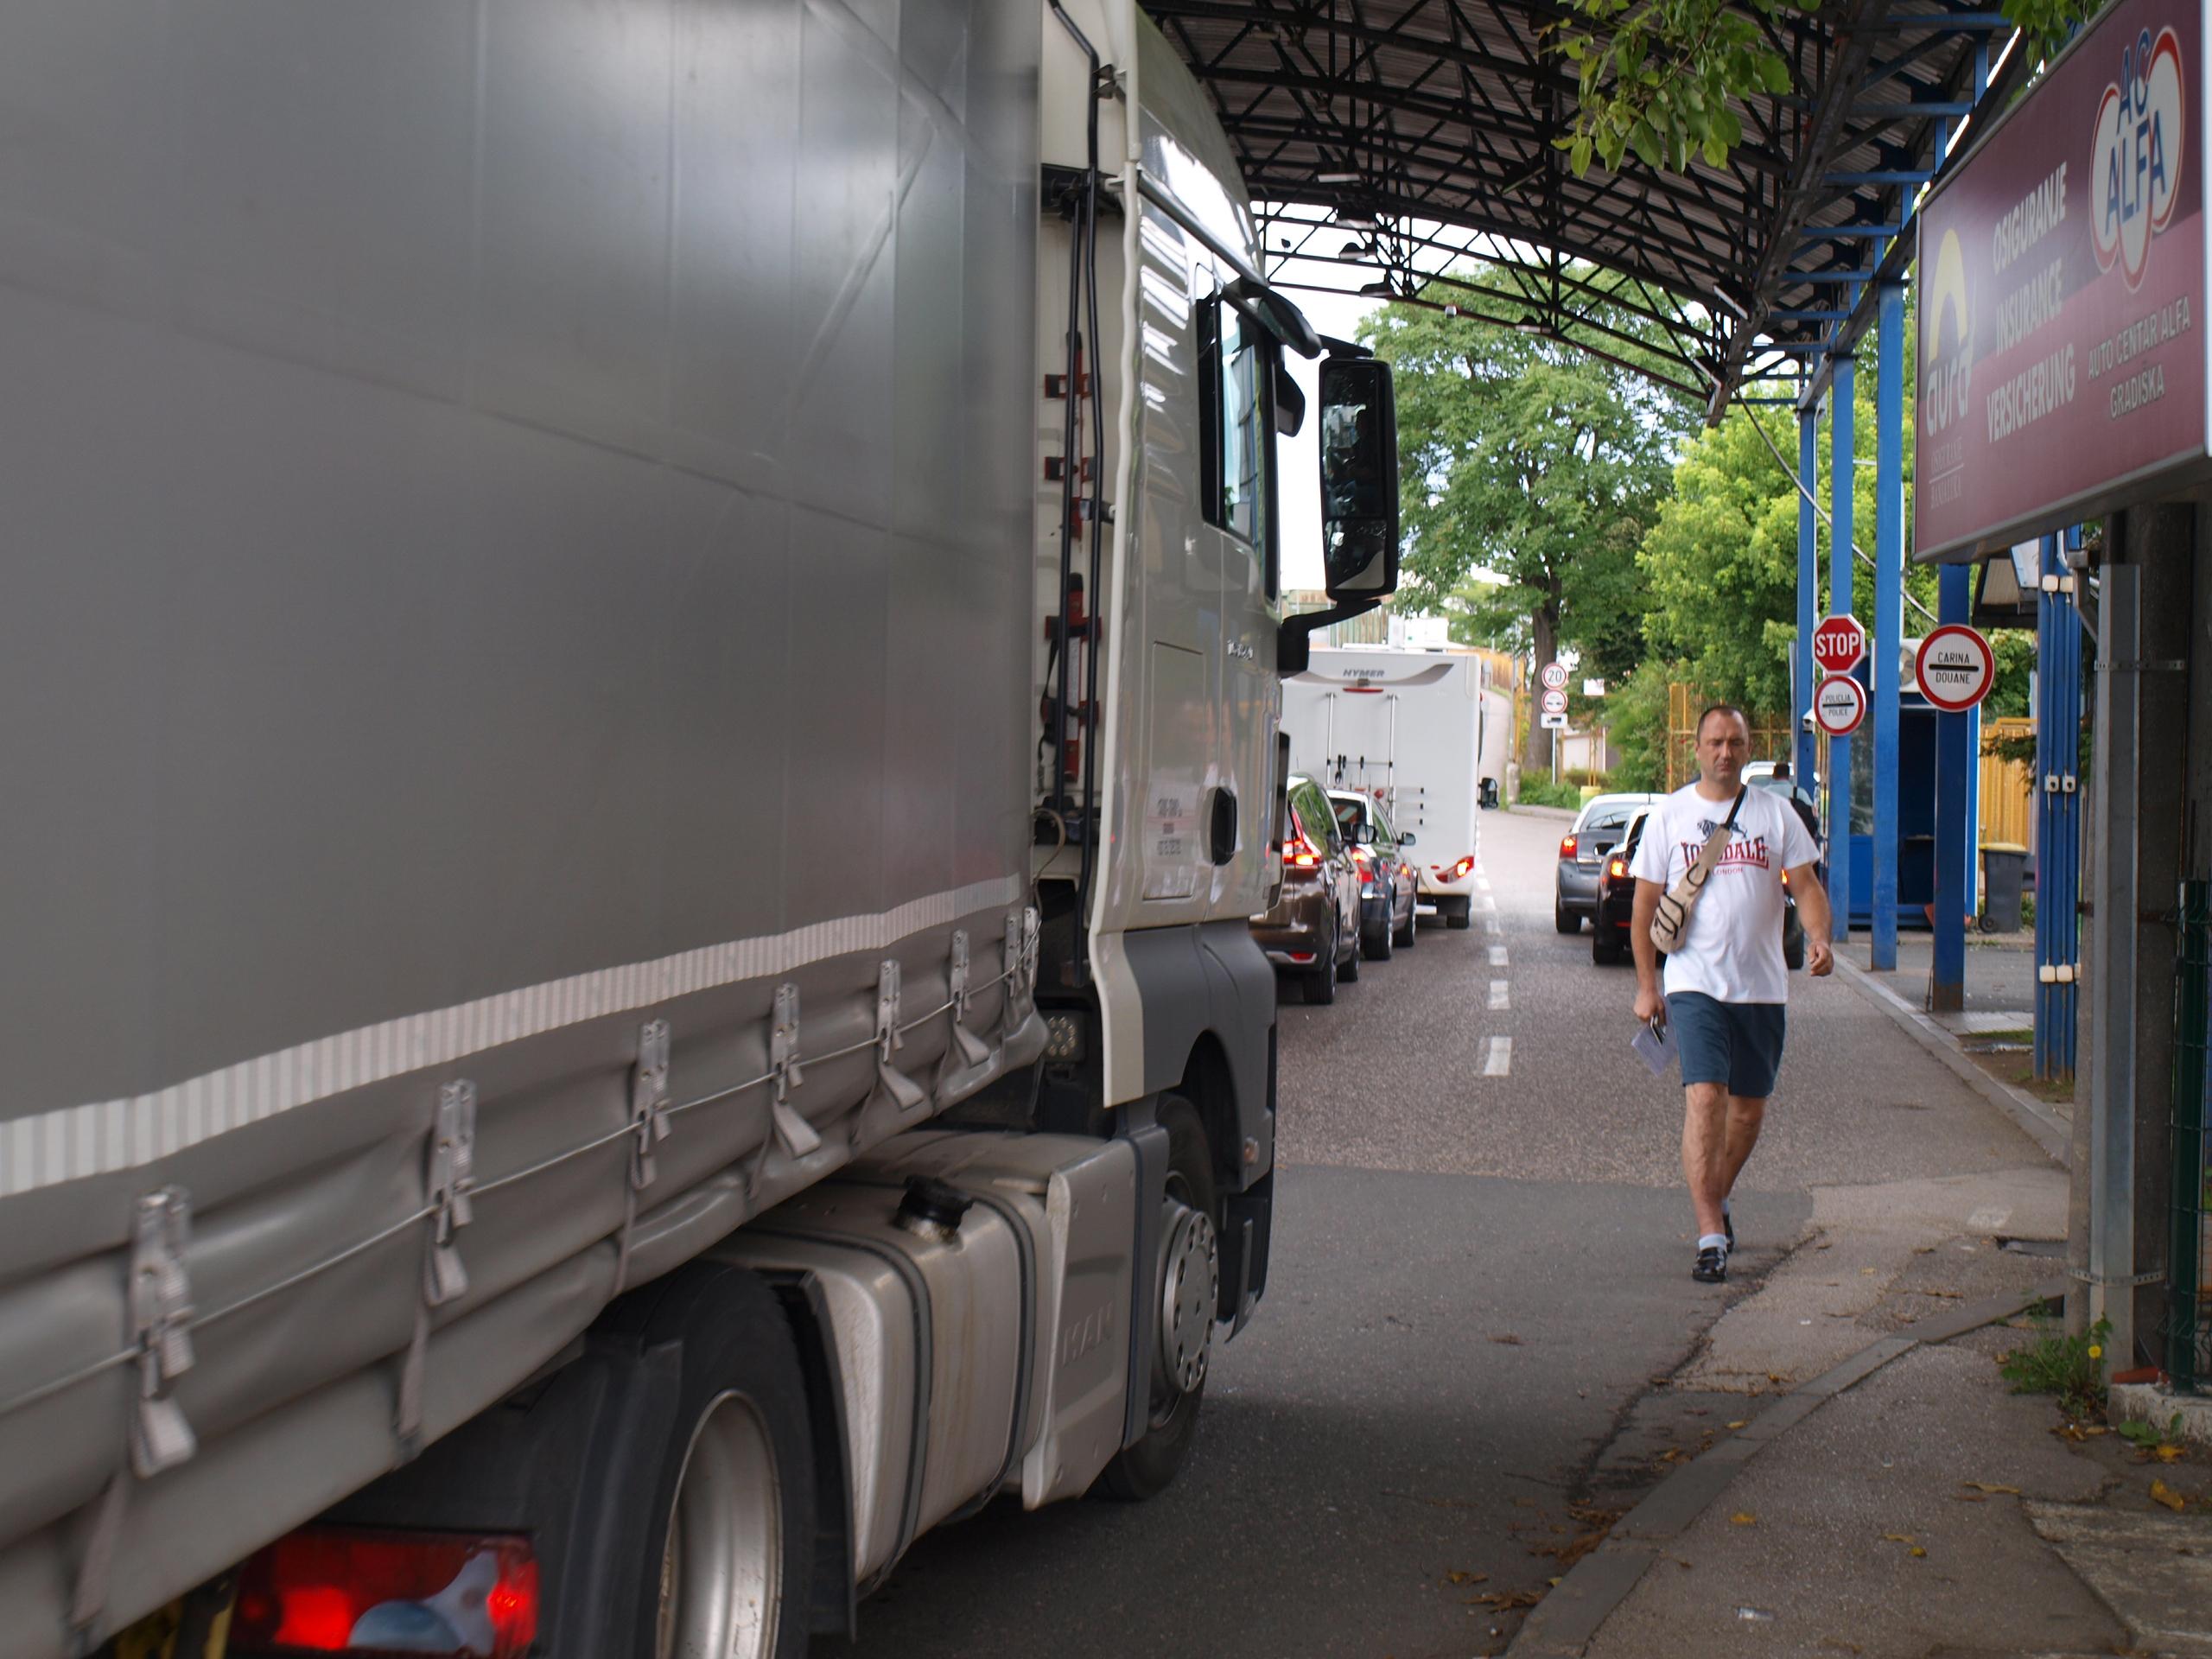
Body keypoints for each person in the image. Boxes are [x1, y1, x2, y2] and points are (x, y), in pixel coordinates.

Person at [1630, 705, 1834, 1284]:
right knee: (1706, 1099)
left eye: (1736, 743)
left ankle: (1716, 1196)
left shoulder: (1777, 815)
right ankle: (1709, 1235)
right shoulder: (1672, 815)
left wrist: (1819, 937)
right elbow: (1645, 904)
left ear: (1748, 750)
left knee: (1747, 1113)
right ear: (1696, 748)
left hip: (1763, 987)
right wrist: (1649, 985)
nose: (1725, 752)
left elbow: (1808, 886)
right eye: (1715, 742)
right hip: (1694, 984)